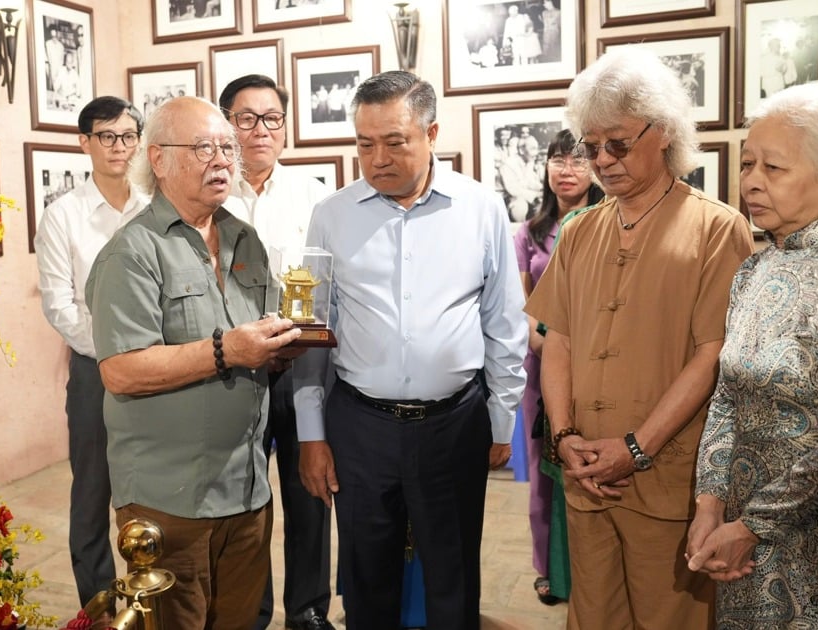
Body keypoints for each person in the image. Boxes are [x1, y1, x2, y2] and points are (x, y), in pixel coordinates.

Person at [523, 46, 754, 630]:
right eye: (592, 145)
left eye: (618, 144)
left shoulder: (716, 228)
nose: (602, 160)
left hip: (667, 483)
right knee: (593, 617)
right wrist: (566, 436)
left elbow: (714, 355)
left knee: (669, 618)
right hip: (586, 477)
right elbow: (560, 341)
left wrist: (638, 446)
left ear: (666, 132)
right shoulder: (578, 232)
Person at [294, 70, 527, 630]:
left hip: (455, 423)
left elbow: (503, 320)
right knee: (367, 578)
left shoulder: (479, 208)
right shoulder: (332, 216)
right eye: (364, 144)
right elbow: (310, 329)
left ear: (431, 134)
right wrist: (310, 435)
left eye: (394, 141)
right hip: (360, 426)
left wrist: (501, 421)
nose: (378, 159)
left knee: (453, 577)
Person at [687, 81, 818, 629]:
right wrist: (710, 503)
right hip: (743, 533)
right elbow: (727, 398)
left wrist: (751, 525)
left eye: (773, 168)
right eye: (748, 163)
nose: (751, 182)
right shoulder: (754, 271)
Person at [85, 96, 304, 628]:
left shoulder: (243, 238)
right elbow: (122, 370)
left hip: (247, 491)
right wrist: (229, 349)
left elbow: (259, 333)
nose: (225, 160)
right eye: (204, 147)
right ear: (157, 159)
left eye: (227, 147)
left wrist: (279, 345)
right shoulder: (132, 253)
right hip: (170, 501)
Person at [217, 74, 337, 630]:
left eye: (272, 118)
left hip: (301, 367)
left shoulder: (316, 196)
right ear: (226, 126)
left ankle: (309, 609)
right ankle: (251, 609)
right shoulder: (210, 196)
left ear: (286, 128)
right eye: (245, 118)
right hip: (233, 369)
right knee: (245, 496)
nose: (259, 130)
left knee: (308, 489)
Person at [33, 96, 148, 614]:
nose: (119, 146)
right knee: (93, 489)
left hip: (162, 367)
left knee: (154, 484)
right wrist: (118, 353)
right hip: (94, 370)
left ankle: (156, 594)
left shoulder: (155, 204)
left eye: (128, 135)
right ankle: (101, 609)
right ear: (85, 143)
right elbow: (59, 305)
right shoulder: (63, 215)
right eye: (107, 136)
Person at [514, 130, 604, 607]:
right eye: (557, 159)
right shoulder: (530, 231)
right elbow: (525, 302)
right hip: (540, 362)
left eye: (577, 160)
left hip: (597, 364)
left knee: (588, 460)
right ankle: (547, 569)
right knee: (541, 472)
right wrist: (541, 339)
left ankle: (590, 567)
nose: (566, 169)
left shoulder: (608, 221)